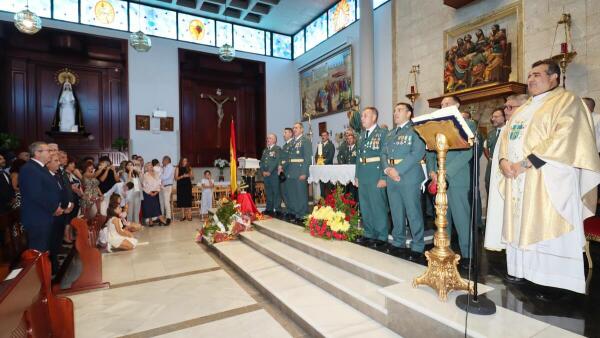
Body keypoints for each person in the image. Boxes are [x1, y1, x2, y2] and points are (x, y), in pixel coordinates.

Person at [494, 59, 600, 294]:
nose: (530, 79)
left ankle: (553, 280)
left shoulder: (567, 101)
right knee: (521, 224)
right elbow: (506, 137)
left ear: (554, 77)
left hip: (549, 177)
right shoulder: (524, 108)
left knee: (546, 223)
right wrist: (503, 162)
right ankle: (522, 270)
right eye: (529, 75)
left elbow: (566, 136)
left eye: (537, 74)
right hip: (517, 177)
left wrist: (526, 163)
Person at [426, 95, 473, 269]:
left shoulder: (467, 124)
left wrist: (445, 173)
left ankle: (468, 256)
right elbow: (431, 151)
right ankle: (446, 251)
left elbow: (467, 152)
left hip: (457, 178)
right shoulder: (437, 127)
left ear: (457, 105)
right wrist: (432, 170)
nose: (443, 105)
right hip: (439, 178)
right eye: (442, 104)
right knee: (442, 219)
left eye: (447, 103)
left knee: (462, 219)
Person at [381, 103, 426, 261]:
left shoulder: (417, 130)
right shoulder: (390, 133)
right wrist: (387, 170)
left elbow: (417, 153)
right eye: (394, 111)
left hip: (408, 175)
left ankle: (418, 245)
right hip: (392, 176)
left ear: (409, 113)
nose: (395, 113)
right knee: (396, 211)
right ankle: (398, 241)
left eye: (399, 110)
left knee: (412, 212)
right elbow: (383, 154)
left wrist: (397, 170)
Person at [354, 107, 390, 249]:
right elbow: (359, 157)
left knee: (378, 206)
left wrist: (383, 177)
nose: (362, 118)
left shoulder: (382, 133)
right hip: (363, 174)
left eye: (365, 115)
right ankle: (369, 233)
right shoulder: (362, 135)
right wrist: (357, 175)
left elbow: (384, 156)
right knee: (365, 206)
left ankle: (381, 236)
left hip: (376, 174)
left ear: (374, 117)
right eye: (362, 116)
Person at [19, 142, 62, 253]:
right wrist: (54, 208)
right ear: (37, 153)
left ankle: (47, 270)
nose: (51, 153)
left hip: (44, 215)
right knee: (38, 252)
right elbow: (36, 194)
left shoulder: (40, 168)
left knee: (45, 251)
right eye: (48, 151)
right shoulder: (30, 169)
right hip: (37, 218)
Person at [47, 153, 73, 272]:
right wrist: (56, 208)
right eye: (56, 161)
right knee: (52, 240)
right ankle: (52, 265)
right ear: (48, 163)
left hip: (61, 212)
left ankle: (55, 261)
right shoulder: (46, 176)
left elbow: (64, 191)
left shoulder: (57, 175)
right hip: (52, 214)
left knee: (57, 239)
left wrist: (68, 204)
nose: (59, 163)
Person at [286, 123, 313, 224]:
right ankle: (295, 213)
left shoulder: (305, 141)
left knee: (301, 194)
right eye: (293, 128)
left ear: (302, 129)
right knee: (293, 194)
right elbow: (289, 158)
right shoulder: (292, 142)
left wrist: (304, 172)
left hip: (300, 171)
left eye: (296, 128)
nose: (294, 129)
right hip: (291, 171)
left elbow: (307, 158)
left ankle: (302, 214)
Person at [484, 107, 506, 193]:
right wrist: (490, 158)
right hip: (490, 167)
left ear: (504, 117)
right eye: (492, 117)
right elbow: (485, 147)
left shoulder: (508, 131)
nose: (493, 119)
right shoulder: (491, 134)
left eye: (496, 117)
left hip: (502, 167)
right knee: (489, 187)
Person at [261, 134, 282, 216]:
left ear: (274, 140)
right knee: (268, 192)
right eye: (267, 138)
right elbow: (262, 162)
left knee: (276, 192)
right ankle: (269, 209)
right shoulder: (265, 150)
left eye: (270, 138)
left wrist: (269, 171)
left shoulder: (277, 149)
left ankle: (277, 209)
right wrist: (263, 171)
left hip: (273, 174)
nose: (267, 140)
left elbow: (276, 161)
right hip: (266, 175)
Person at [337, 129, 358, 200]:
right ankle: (348, 204)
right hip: (346, 172)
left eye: (351, 138)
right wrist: (342, 164)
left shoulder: (357, 148)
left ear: (354, 139)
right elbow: (340, 156)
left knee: (354, 190)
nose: (349, 140)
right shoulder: (345, 148)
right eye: (348, 139)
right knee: (346, 190)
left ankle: (355, 205)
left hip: (354, 173)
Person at [278, 127, 293, 220]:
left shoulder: (292, 144)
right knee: (284, 192)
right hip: (282, 171)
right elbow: (281, 158)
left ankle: (292, 210)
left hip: (288, 171)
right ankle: (288, 209)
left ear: (291, 134)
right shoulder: (284, 146)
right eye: (284, 133)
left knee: (289, 192)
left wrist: (282, 166)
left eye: (286, 132)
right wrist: (279, 166)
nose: (284, 134)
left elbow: (290, 159)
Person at [316, 131, 335, 197]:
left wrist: (322, 162)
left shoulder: (331, 145)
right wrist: (318, 162)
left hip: (328, 168)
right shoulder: (320, 145)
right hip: (321, 169)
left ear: (327, 136)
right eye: (322, 135)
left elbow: (330, 157)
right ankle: (322, 201)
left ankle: (330, 202)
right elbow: (316, 156)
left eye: (324, 135)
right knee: (322, 186)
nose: (323, 137)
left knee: (329, 186)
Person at [175, 157, 194, 221]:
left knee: (188, 200)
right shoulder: (178, 168)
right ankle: (183, 216)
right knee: (182, 200)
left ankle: (189, 215)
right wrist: (182, 176)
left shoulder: (189, 168)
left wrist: (189, 175)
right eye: (183, 160)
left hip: (187, 186)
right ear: (181, 161)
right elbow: (176, 178)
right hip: (180, 186)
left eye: (186, 161)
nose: (185, 162)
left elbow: (192, 178)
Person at [159, 156, 175, 225]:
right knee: (163, 202)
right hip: (163, 186)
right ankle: (163, 217)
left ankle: (168, 218)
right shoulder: (165, 167)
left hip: (167, 186)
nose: (162, 162)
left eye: (163, 160)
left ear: (166, 160)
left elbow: (166, 177)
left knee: (166, 202)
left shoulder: (170, 167)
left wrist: (159, 175)